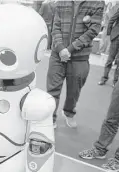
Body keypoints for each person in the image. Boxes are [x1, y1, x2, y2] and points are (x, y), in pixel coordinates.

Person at [47, 1, 104, 129]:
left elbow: (94, 29)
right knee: (52, 90)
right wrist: (61, 48)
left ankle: (69, 111)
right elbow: (55, 26)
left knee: (74, 91)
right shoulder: (61, 2)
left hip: (80, 57)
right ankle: (50, 117)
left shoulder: (97, 3)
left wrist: (71, 48)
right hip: (58, 54)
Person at [99, 7, 119, 87]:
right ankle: (104, 78)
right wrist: (110, 33)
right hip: (116, 37)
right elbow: (111, 20)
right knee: (110, 59)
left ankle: (115, 81)